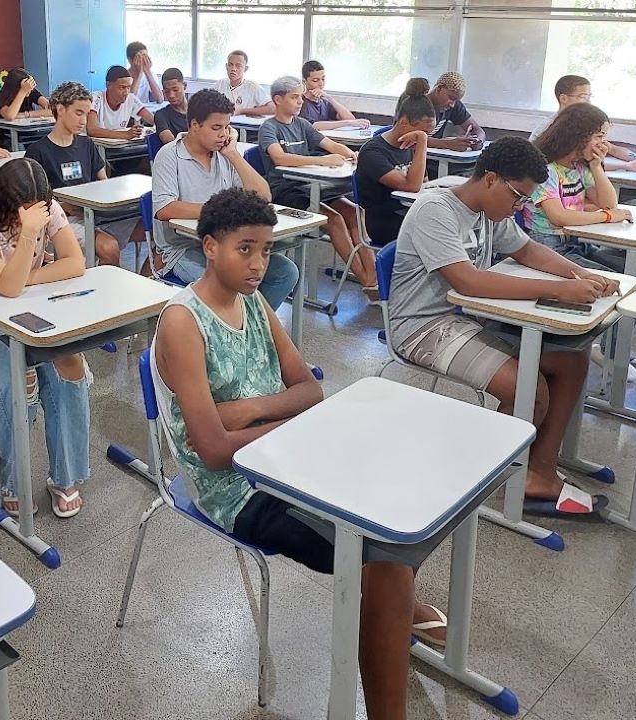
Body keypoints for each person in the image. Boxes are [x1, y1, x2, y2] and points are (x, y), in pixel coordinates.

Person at [152, 188, 445, 720]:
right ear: (209, 246)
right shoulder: (183, 322)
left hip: (290, 458)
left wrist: (245, 411)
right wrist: (280, 421)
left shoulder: (254, 302)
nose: (259, 264)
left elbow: (311, 390)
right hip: (237, 491)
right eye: (245, 249)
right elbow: (215, 453)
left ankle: (396, 610)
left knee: (396, 503)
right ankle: (390, 668)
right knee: (378, 558)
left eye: (265, 250)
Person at [388, 137, 615, 517]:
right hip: (422, 328)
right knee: (529, 388)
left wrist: (580, 273)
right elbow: (469, 283)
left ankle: (539, 471)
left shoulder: (490, 210)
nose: (519, 207)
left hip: (467, 319)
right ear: (491, 179)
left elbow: (527, 250)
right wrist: (560, 290)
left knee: (572, 360)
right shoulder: (436, 209)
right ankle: (476, 475)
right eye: (517, 197)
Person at [0, 158, 91, 518]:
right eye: (24, 211)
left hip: (30, 318)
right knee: (18, 380)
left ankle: (65, 477)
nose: (34, 217)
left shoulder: (48, 210)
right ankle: (11, 481)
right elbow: (7, 287)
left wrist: (27, 278)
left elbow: (74, 264)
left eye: (38, 210)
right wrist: (30, 238)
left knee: (68, 369)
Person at [527, 103, 636, 381]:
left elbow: (608, 201)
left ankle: (610, 352)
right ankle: (609, 355)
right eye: (600, 137)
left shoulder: (579, 166)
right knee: (623, 287)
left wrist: (596, 165)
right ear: (578, 136)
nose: (605, 144)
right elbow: (558, 216)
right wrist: (606, 216)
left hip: (575, 244)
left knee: (635, 282)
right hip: (547, 247)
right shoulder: (547, 169)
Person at [152, 89, 296, 309]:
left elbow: (263, 197)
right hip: (183, 249)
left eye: (227, 127)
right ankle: (242, 328)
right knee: (229, 284)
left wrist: (233, 155)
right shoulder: (169, 155)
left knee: (286, 272)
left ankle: (248, 330)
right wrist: (221, 211)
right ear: (194, 125)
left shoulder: (224, 154)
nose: (223, 134)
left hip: (227, 245)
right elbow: (165, 209)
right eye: (216, 128)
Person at [259, 76, 374, 299]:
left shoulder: (302, 124)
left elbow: (329, 144)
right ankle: (366, 280)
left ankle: (372, 272)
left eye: (300, 97)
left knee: (355, 212)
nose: (300, 101)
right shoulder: (269, 128)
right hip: (286, 190)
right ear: (278, 100)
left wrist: (351, 154)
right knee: (335, 220)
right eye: (294, 97)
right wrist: (322, 161)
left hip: (312, 186)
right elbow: (279, 158)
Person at [25, 81, 140, 268]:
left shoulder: (87, 145)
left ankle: (148, 280)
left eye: (86, 114)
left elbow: (104, 182)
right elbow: (32, 204)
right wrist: (62, 205)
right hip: (62, 219)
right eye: (79, 113)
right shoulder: (38, 151)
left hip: (95, 214)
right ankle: (108, 294)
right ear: (60, 109)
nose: (84, 121)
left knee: (156, 228)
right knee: (108, 248)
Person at [354, 81, 434, 250]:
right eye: (422, 132)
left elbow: (424, 182)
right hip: (383, 223)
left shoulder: (410, 147)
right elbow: (412, 186)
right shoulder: (373, 152)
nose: (424, 137)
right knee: (437, 237)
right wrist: (422, 141)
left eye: (427, 134)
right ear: (404, 123)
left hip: (409, 215)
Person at [529, 75, 636, 172]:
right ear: (563, 98)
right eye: (583, 97)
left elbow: (611, 148)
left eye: (590, 97)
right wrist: (626, 166)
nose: (588, 102)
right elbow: (584, 161)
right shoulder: (551, 128)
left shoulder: (582, 124)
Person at [418, 73, 486, 151]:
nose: (452, 105)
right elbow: (412, 138)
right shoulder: (416, 103)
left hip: (436, 157)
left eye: (456, 100)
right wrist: (448, 144)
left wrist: (477, 141)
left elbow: (478, 130)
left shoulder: (453, 105)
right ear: (439, 89)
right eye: (451, 98)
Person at [299, 60, 370, 131]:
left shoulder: (325, 101)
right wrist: (348, 123)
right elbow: (313, 126)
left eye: (323, 79)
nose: (321, 83)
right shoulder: (300, 102)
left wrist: (329, 98)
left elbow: (350, 119)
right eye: (315, 80)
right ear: (304, 82)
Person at [87, 65, 155, 140]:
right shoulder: (96, 98)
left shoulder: (131, 98)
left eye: (128, 87)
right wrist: (125, 134)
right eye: (122, 87)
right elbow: (91, 129)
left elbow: (153, 120)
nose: (126, 92)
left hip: (119, 147)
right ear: (108, 85)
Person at [212, 50, 273, 118]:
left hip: (245, 126)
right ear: (226, 66)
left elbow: (273, 108)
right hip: (224, 124)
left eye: (238, 66)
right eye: (230, 65)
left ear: (245, 68)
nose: (233, 69)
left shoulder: (252, 86)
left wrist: (242, 111)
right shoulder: (220, 84)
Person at [152, 68, 190, 145]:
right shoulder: (161, 115)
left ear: (184, 86)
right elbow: (170, 144)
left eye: (175, 90)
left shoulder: (199, 111)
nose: (171, 95)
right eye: (167, 91)